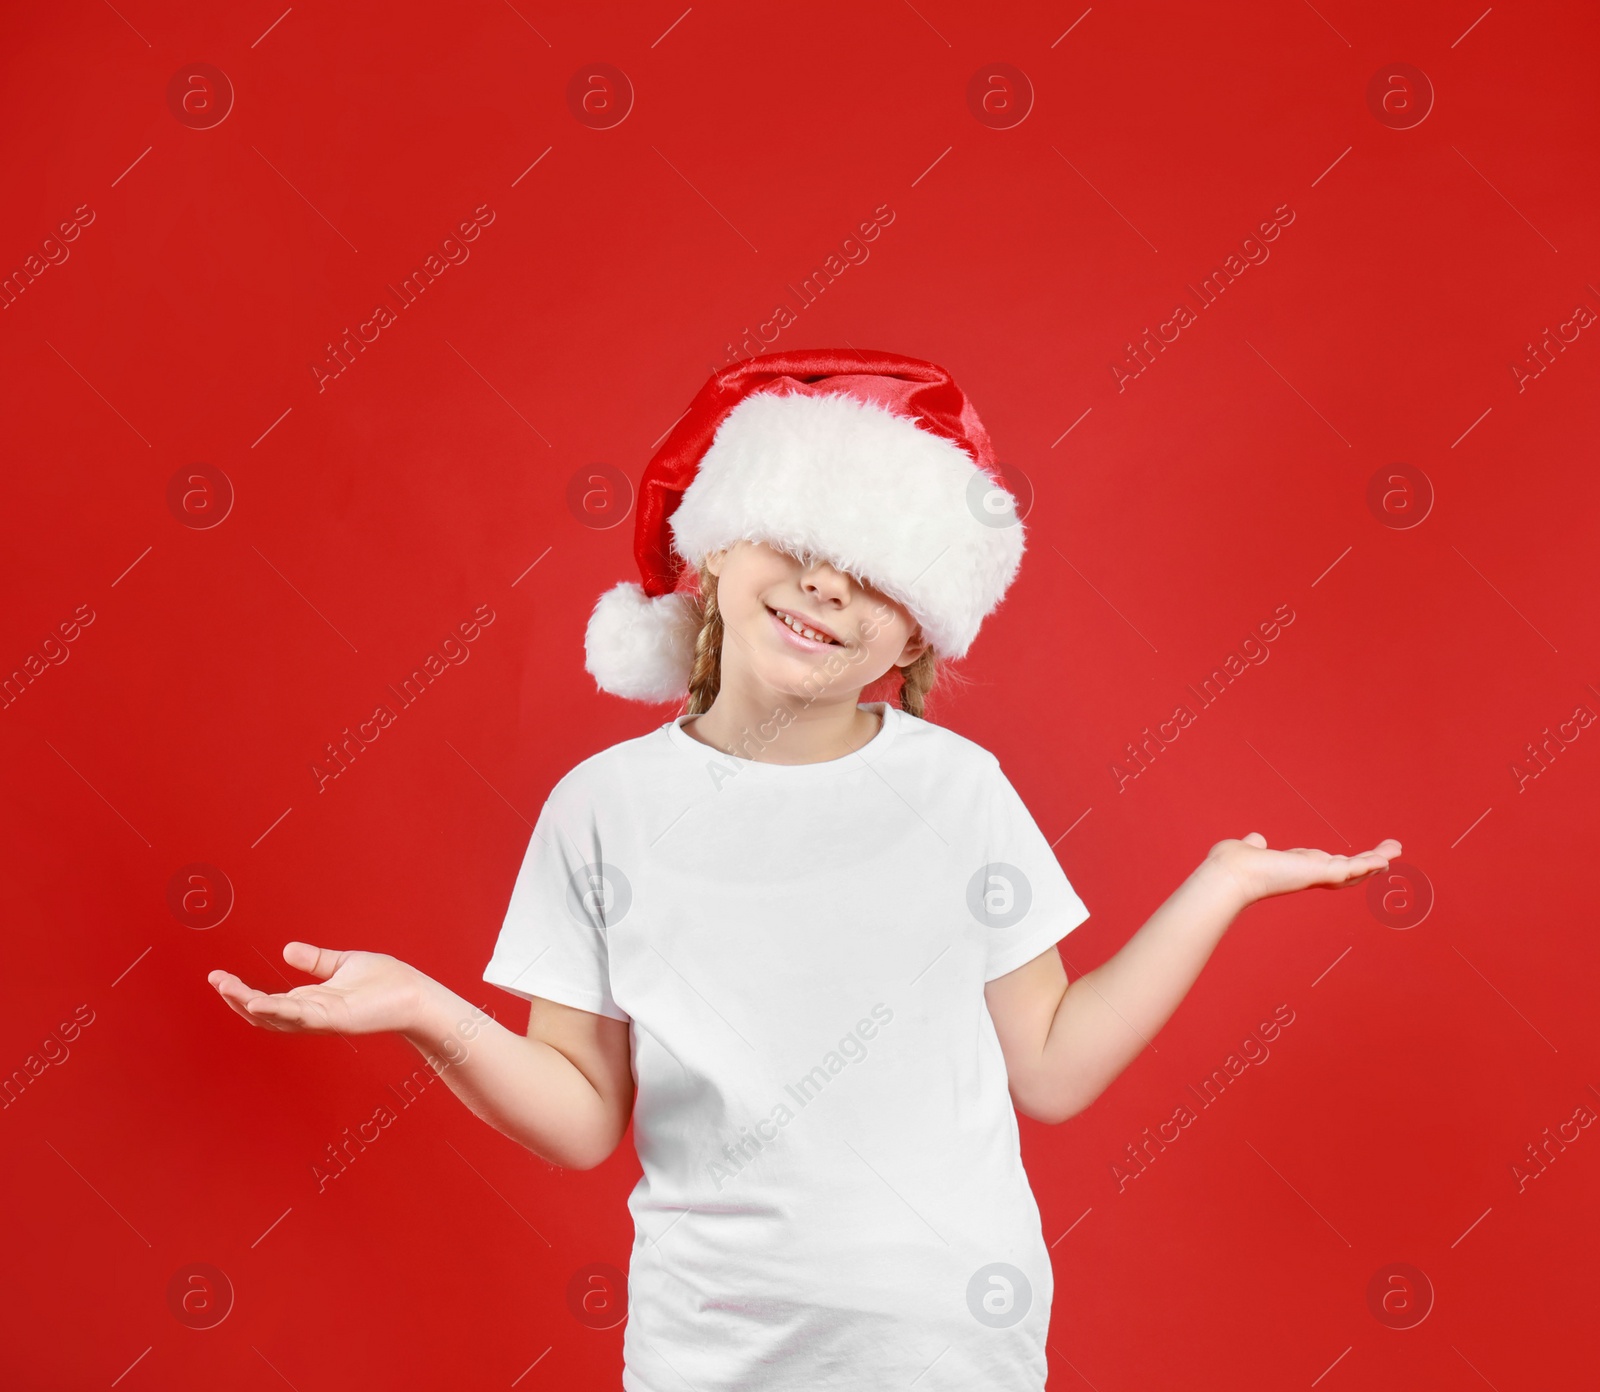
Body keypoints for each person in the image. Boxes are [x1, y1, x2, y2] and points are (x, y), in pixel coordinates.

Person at [209, 349, 1400, 1391]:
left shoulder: (956, 792)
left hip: (954, 1347)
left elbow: (1050, 1067)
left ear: (919, 629)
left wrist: (1218, 887)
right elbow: (581, 1120)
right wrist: (425, 1009)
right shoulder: (604, 813)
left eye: (878, 573)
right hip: (710, 1356)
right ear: (715, 548)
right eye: (804, 541)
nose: (829, 583)